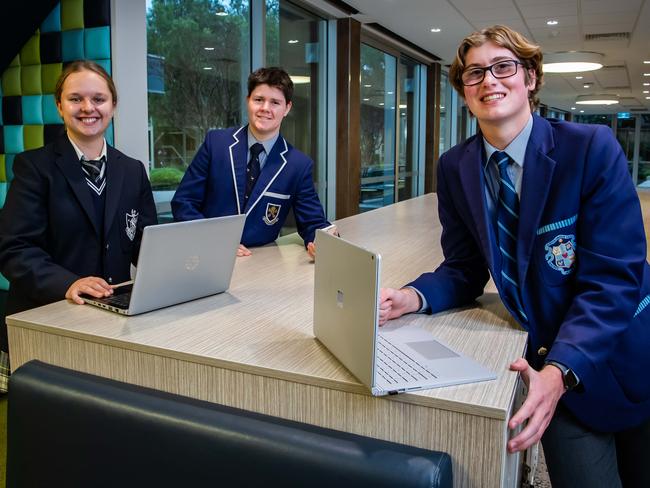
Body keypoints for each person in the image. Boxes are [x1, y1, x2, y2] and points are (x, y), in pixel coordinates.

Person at [379, 25, 650, 487]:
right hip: (546, 363)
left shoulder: (589, 150)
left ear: (530, 78)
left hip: (619, 348)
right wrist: (412, 297)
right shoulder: (455, 167)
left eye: (504, 67)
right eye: (474, 73)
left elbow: (614, 279)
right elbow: (464, 269)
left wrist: (562, 370)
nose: (490, 81)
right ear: (464, 90)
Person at [0, 60, 157, 381]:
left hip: (112, 319)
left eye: (99, 99)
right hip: (48, 316)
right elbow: (14, 249)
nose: (88, 108)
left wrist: (176, 272)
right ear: (59, 106)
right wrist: (67, 283)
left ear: (113, 105)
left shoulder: (132, 169)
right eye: (76, 99)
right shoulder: (33, 167)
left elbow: (146, 242)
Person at [171, 67, 333, 258]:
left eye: (275, 102)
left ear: (287, 108)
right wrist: (216, 240)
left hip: (259, 262)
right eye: (258, 100)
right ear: (248, 100)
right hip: (207, 254)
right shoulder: (216, 143)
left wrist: (325, 238)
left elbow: (313, 222)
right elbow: (183, 202)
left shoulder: (297, 164)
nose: (265, 108)